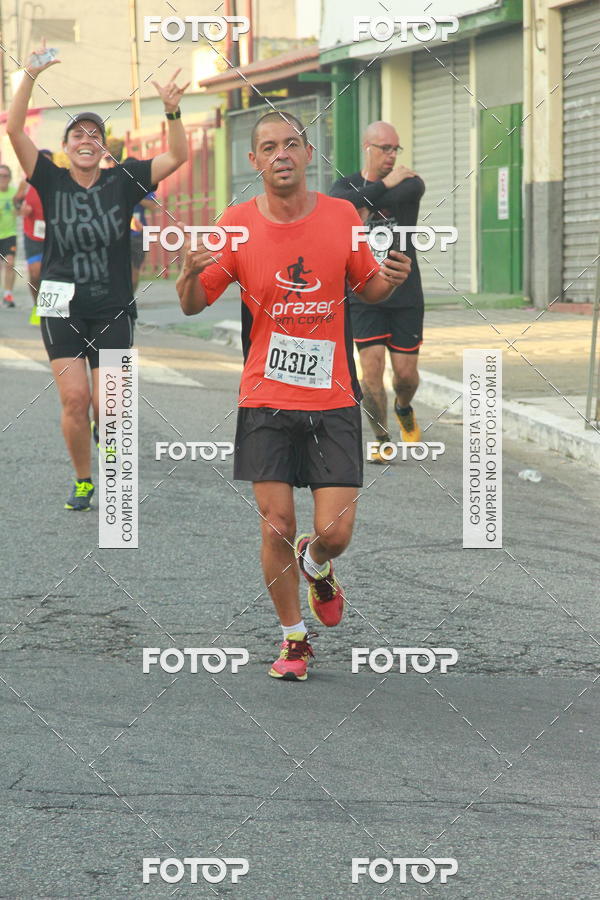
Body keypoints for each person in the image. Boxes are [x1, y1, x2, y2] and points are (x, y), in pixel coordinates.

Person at [176, 111, 411, 681]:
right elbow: (192, 304)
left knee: (337, 533)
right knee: (275, 521)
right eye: (268, 147)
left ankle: (316, 563)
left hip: (330, 396)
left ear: (308, 154)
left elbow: (367, 285)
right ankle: (294, 640)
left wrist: (391, 279)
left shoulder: (341, 215)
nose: (281, 154)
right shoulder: (235, 224)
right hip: (266, 395)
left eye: (291, 144)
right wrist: (186, 274)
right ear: (253, 161)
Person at [7, 43, 190, 510]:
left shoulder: (123, 180)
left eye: (94, 133)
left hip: (112, 306)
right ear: (67, 148)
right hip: (58, 305)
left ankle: (106, 444)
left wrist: (172, 112)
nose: (86, 140)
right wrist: (28, 75)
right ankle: (85, 478)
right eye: (76, 135)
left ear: (102, 145)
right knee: (74, 400)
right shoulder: (48, 178)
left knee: (109, 407)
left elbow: (178, 157)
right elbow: (12, 128)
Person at [329, 121, 426, 461]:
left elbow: (355, 206)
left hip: (404, 292)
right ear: (367, 148)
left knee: (405, 375)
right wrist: (382, 185)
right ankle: (382, 438)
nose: (391, 156)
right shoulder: (346, 185)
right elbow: (340, 205)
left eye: (395, 149)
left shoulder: (410, 184)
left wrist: (367, 199)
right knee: (370, 369)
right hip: (362, 290)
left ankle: (403, 407)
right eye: (385, 148)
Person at [14, 149, 54, 323]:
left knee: (51, 274)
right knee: (35, 272)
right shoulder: (27, 182)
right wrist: (21, 207)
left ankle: (51, 310)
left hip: (53, 234)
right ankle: (37, 305)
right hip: (32, 233)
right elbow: (16, 200)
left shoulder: (58, 181)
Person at [123, 157, 157, 292]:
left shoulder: (143, 186)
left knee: (134, 270)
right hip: (119, 234)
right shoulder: (116, 185)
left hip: (138, 235)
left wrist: (136, 193)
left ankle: (129, 298)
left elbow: (153, 206)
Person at [0, 164, 19, 308]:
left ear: (10, 178)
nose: (2, 179)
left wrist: (19, 211)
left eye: (5, 176)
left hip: (9, 234)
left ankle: (8, 294)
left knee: (10, 263)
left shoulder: (15, 193)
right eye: (0, 176)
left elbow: (20, 211)